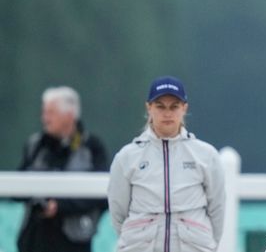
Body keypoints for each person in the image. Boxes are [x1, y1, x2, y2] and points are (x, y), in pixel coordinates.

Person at [108, 76, 226, 252]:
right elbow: (118, 211)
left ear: (184, 108)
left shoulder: (206, 155)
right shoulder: (126, 157)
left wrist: (205, 243)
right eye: (160, 106)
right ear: (149, 107)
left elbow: (217, 208)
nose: (167, 113)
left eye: (174, 106)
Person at [16, 86, 109, 252]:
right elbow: (17, 187)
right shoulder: (35, 146)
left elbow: (103, 194)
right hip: (34, 240)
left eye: (51, 113)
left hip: (73, 242)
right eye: (44, 112)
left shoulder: (91, 148)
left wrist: (60, 205)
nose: (45, 118)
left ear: (69, 115)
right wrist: (39, 201)